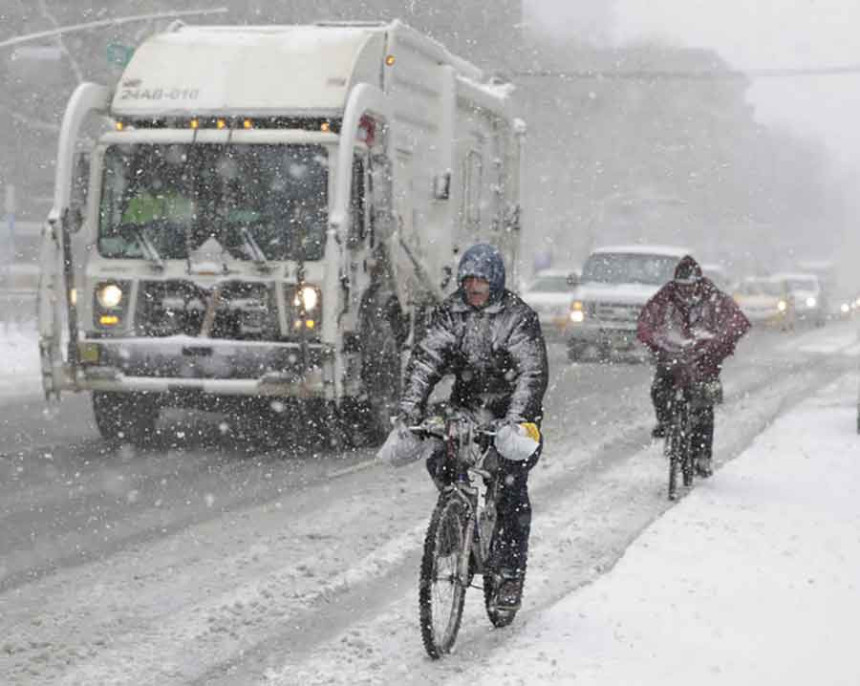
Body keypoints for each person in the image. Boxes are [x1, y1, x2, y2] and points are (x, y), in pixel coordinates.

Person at [395, 243, 548, 610]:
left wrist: (516, 419)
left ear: (494, 281)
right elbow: (426, 361)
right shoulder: (450, 313)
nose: (473, 287)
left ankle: (509, 573)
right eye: (468, 280)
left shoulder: (517, 317)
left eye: (480, 280)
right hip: (466, 408)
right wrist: (410, 408)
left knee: (511, 491)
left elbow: (531, 373)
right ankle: (454, 519)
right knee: (439, 451)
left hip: (512, 415)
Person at [637, 255, 751, 476]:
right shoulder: (665, 297)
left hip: (704, 362)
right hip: (672, 357)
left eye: (690, 286)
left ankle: (702, 456)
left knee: (705, 407)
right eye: (682, 287)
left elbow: (737, 321)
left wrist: (717, 343)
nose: (686, 291)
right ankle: (666, 422)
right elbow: (646, 320)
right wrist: (653, 339)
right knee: (659, 389)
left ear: (699, 282)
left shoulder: (714, 298)